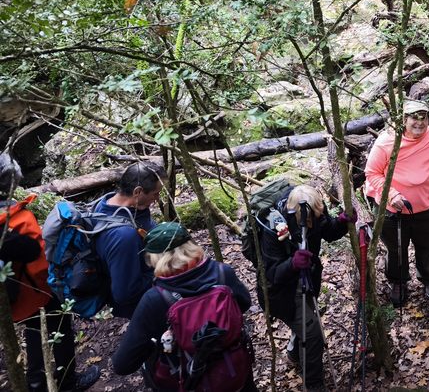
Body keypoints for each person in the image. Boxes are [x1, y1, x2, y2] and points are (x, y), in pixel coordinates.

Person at [110, 222, 256, 391]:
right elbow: (244, 304)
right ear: (191, 245)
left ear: (155, 257)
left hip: (188, 381)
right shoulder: (223, 273)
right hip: (235, 373)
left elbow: (122, 365)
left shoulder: (154, 299)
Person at [0, 153, 100, 392]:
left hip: (15, 292)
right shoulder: (15, 219)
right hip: (31, 291)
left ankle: (36, 382)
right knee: (59, 325)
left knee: (36, 330)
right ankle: (65, 381)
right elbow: (35, 255)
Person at [256, 183, 352, 392]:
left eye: (316, 215)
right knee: (313, 334)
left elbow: (328, 230)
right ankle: (314, 384)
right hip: (281, 293)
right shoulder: (274, 227)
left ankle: (294, 353)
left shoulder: (314, 210)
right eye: (307, 220)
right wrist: (291, 264)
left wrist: (342, 223)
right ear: (294, 212)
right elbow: (270, 273)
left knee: (306, 325)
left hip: (308, 282)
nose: (312, 222)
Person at [365, 99, 429, 306]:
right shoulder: (387, 141)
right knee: (395, 248)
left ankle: (428, 279)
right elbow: (372, 173)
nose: (419, 122)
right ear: (404, 119)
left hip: (428, 207)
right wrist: (392, 195)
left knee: (425, 245)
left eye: (424, 117)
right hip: (391, 209)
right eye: (414, 117)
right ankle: (398, 282)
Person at [92, 161, 164, 318]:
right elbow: (125, 293)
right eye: (155, 193)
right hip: (143, 305)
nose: (157, 199)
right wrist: (163, 272)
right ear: (137, 192)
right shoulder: (123, 237)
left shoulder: (108, 202)